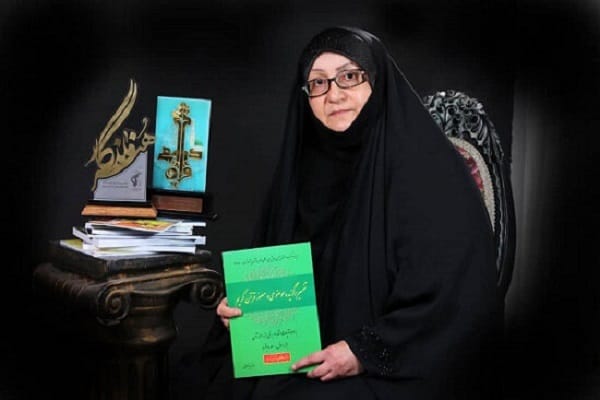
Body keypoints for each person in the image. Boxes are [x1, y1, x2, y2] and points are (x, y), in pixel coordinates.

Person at [214, 26, 503, 399]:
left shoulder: (427, 171)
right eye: (318, 83)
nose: (334, 94)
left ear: (377, 82)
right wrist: (245, 310)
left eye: (349, 76)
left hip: (400, 362)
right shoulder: (302, 169)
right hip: (305, 354)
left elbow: (454, 299)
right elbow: (275, 272)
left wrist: (363, 352)